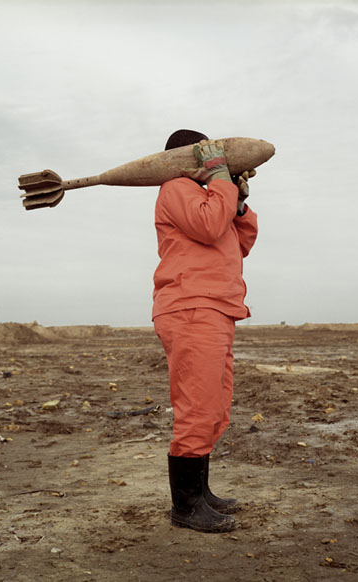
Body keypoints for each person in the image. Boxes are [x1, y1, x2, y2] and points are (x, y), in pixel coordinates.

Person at [152, 129, 258, 533]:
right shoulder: (176, 187)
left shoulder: (210, 194)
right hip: (191, 306)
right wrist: (219, 182)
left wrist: (238, 200)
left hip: (216, 307)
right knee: (198, 407)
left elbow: (239, 241)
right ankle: (186, 507)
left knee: (214, 407)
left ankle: (201, 493)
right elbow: (212, 226)